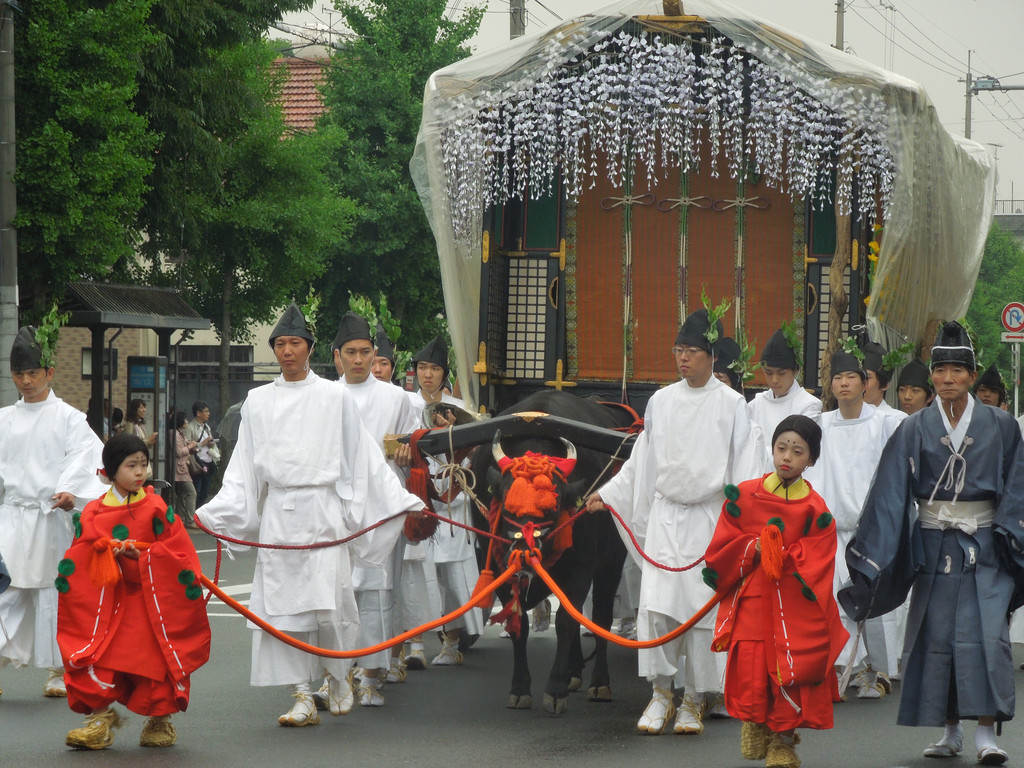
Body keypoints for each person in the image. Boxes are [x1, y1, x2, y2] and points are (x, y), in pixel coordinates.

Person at [196, 302, 425, 727]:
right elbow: (243, 466)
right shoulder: (258, 401)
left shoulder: (334, 397)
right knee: (286, 612)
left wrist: (399, 499)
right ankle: (300, 693)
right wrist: (218, 512)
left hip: (323, 512)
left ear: (311, 348)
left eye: (294, 343)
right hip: (280, 519)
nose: (287, 351)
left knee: (330, 606)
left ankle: (337, 674)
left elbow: (363, 460)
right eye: (280, 343)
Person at [839, 321, 1024, 765]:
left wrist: (1010, 537)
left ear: (971, 375)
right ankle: (949, 731)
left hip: (985, 546)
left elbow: (1017, 488)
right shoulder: (914, 427)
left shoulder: (1001, 426)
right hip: (934, 545)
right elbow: (889, 493)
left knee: (988, 637)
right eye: (940, 370)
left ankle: (985, 734)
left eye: (957, 371)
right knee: (937, 637)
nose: (947, 379)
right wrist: (872, 556)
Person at [586, 308, 764, 736]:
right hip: (667, 518)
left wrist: (742, 526)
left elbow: (745, 467)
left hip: (709, 519)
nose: (683, 359)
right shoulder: (661, 401)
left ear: (711, 357)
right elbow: (642, 459)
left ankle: (694, 700)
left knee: (701, 615)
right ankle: (660, 693)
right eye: (678, 350)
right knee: (658, 609)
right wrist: (609, 494)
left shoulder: (732, 405)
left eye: (691, 351)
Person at [704, 415, 847, 768]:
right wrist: (752, 548)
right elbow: (723, 543)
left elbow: (820, 553)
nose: (787, 457)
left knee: (789, 669)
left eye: (798, 451)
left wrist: (783, 555)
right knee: (753, 665)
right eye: (781, 447)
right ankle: (756, 722)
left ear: (811, 460)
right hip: (753, 598)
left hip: (792, 604)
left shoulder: (816, 509)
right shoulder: (745, 495)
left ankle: (783, 741)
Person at [58, 433, 211, 750]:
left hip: (149, 600)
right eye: (132, 465)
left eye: (144, 464)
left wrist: (145, 557)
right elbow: (78, 555)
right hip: (107, 602)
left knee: (151, 659)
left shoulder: (156, 506)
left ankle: (160, 720)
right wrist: (100, 554)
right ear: (111, 471)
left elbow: (178, 552)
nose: (140, 472)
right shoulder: (93, 512)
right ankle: (99, 720)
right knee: (99, 657)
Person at [0, 325, 106, 698]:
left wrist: (70, 492)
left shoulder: (69, 418)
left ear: (49, 373)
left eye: (32, 373)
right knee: (5, 591)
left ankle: (58, 670)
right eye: (19, 374)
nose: (26, 381)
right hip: (11, 517)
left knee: (51, 595)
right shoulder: (3, 419)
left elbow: (86, 459)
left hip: (49, 517)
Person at [803, 346, 902, 699]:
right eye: (838, 378)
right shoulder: (819, 426)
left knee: (873, 601)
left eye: (851, 378)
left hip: (871, 529)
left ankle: (877, 670)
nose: (844, 384)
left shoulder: (887, 424)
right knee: (831, 599)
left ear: (865, 384)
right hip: (830, 528)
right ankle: (843, 666)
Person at [330, 311, 418, 707]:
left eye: (367, 352)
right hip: (337, 502)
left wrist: (404, 456)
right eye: (351, 352)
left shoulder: (397, 398)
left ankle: (371, 674)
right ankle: (336, 670)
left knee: (379, 589)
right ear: (337, 357)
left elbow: (411, 452)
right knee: (337, 587)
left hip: (381, 500)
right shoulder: (325, 395)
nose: (360, 360)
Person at [406, 335, 483, 665]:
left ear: (444, 373)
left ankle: (451, 642)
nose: (427, 374)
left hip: (454, 495)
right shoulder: (405, 405)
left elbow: (475, 453)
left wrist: (460, 461)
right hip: (417, 496)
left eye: (434, 368)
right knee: (416, 572)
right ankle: (415, 644)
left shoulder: (462, 410)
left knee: (451, 574)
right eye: (422, 367)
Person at [748, 325, 822, 460]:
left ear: (795, 371)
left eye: (781, 373)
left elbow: (801, 451)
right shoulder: (756, 404)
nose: (774, 380)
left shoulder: (809, 405)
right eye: (768, 373)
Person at [860, 338, 906, 421]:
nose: (862, 383)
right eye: (859, 377)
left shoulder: (896, 419)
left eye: (868, 377)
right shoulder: (846, 416)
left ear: (884, 385)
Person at [184, 401, 219, 508]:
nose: (208, 414)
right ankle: (193, 512)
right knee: (196, 490)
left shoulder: (206, 427)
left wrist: (211, 443)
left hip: (208, 461)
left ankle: (199, 512)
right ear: (198, 413)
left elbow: (209, 441)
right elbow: (188, 445)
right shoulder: (190, 427)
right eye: (206, 411)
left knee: (205, 492)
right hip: (197, 463)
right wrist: (202, 443)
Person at [171, 411, 198, 528]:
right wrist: (190, 446)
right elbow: (179, 452)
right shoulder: (174, 434)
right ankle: (190, 520)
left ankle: (180, 519)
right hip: (179, 468)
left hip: (182, 467)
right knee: (192, 492)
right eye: (185, 419)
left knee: (182, 494)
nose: (187, 421)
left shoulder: (180, 433)